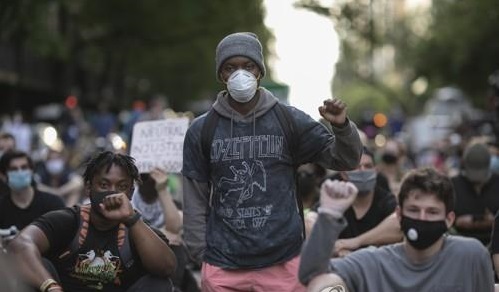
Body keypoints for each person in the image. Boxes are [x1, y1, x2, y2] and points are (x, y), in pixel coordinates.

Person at [182, 32, 362, 291]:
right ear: (221, 75)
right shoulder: (202, 129)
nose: (240, 74)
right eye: (231, 67)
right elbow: (195, 195)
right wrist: (200, 254)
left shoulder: (289, 120)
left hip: (284, 263)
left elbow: (346, 159)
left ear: (259, 72)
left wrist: (342, 127)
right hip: (223, 266)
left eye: (248, 66)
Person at [299, 168, 494, 292]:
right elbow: (312, 276)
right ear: (399, 215)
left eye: (432, 212)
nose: (422, 218)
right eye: (414, 210)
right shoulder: (372, 263)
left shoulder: (471, 255)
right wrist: (329, 215)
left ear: (449, 219)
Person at [7, 151, 177, 291]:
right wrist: (50, 286)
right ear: (88, 188)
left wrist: (132, 219)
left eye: (122, 186)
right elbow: (20, 245)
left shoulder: (137, 228)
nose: (113, 193)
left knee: (159, 284)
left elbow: (167, 267)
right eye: (104, 185)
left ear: (131, 193)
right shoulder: (69, 220)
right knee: (30, 267)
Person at [307, 146, 401, 256]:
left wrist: (355, 242)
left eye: (368, 166)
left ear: (375, 171)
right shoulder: (337, 198)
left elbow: (399, 224)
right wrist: (333, 248)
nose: (362, 171)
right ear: (343, 174)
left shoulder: (385, 200)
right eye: (356, 167)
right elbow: (309, 223)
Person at [0, 150, 65, 232]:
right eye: (13, 169)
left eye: (24, 167)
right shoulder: (2, 207)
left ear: (31, 171)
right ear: (3, 176)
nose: (20, 172)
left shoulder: (54, 203)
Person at [451, 142, 499, 246]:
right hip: (461, 241)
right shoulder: (453, 185)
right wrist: (455, 222)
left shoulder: (496, 183)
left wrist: (494, 221)